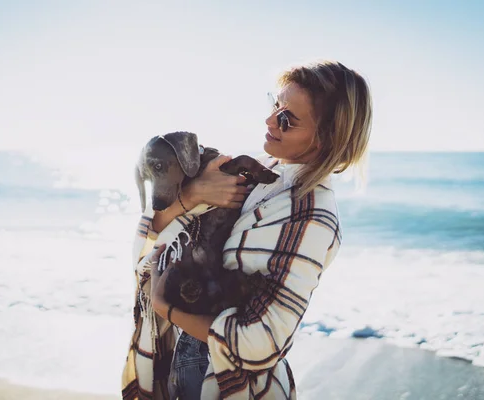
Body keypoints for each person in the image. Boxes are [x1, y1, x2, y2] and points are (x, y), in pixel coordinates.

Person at [122, 60, 372, 399]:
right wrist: (193, 195)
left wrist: (166, 306)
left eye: (287, 119)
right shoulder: (260, 173)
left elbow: (259, 343)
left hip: (225, 378)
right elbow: (151, 237)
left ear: (325, 139)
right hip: (183, 356)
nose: (270, 121)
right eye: (275, 106)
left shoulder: (311, 214)